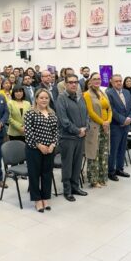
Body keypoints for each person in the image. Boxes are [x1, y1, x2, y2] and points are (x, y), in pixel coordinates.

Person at [24, 89, 59, 212]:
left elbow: (56, 131)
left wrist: (53, 145)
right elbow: (28, 132)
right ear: (36, 99)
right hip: (34, 149)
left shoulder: (52, 113)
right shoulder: (30, 113)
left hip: (50, 149)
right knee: (34, 175)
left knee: (47, 174)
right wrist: (39, 145)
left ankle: (45, 197)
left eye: (46, 98)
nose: (44, 100)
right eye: (41, 98)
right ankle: (37, 199)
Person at [55, 74, 88, 202]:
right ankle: (67, 190)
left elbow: (87, 115)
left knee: (77, 164)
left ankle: (75, 187)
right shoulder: (61, 99)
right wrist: (77, 130)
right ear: (65, 84)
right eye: (70, 82)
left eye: (75, 82)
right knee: (67, 165)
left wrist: (85, 128)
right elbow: (64, 121)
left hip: (80, 137)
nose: (74, 84)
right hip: (68, 138)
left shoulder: (81, 97)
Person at [83, 74, 111, 188]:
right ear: (90, 81)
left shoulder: (103, 92)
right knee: (94, 153)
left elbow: (109, 109)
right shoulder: (87, 94)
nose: (97, 81)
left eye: (99, 79)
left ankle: (102, 177)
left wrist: (108, 121)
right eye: (94, 79)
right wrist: (102, 122)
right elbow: (90, 112)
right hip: (95, 127)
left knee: (103, 153)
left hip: (105, 126)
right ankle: (94, 180)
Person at [106, 75, 131, 181]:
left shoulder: (126, 92)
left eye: (120, 81)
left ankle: (119, 169)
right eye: (116, 81)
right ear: (112, 82)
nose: (119, 83)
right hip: (116, 126)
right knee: (114, 149)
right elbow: (111, 110)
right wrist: (123, 120)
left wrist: (129, 119)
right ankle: (111, 171)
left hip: (126, 126)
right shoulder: (109, 93)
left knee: (122, 148)